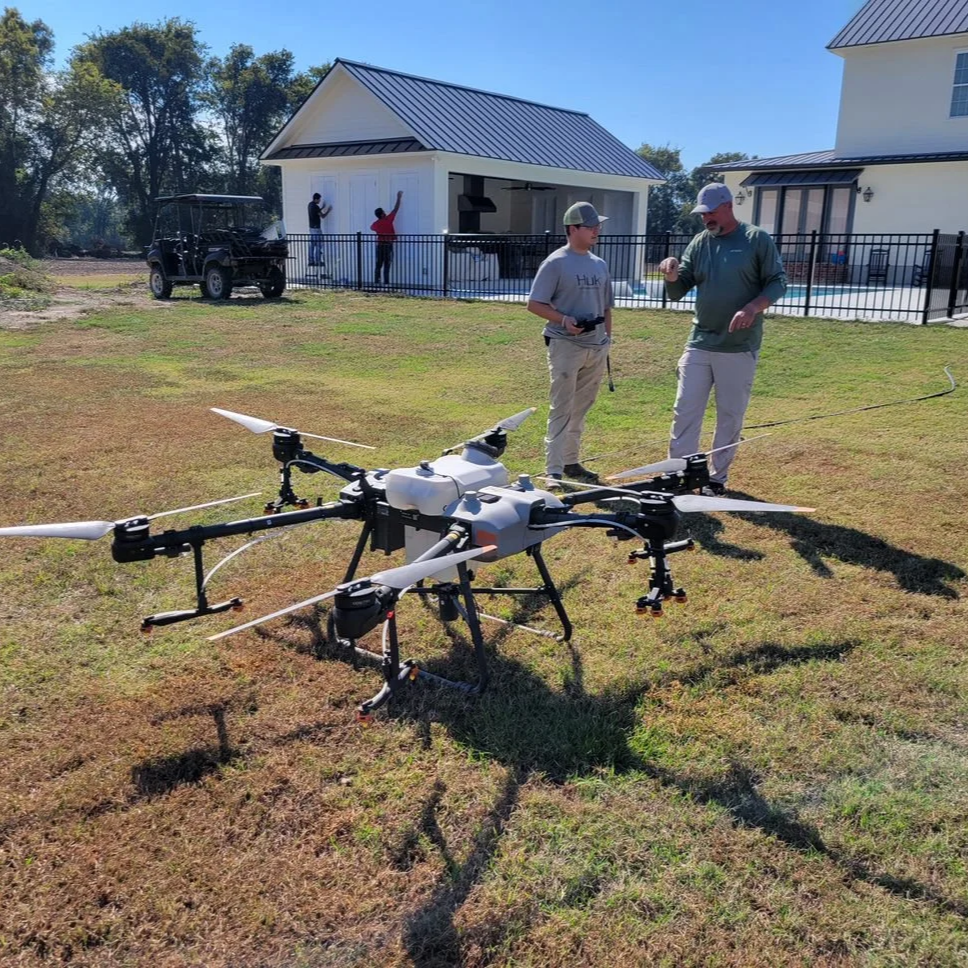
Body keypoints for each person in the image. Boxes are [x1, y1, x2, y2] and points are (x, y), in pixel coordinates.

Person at [659, 183, 787, 495]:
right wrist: (672, 275)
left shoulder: (756, 239)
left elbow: (777, 282)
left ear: (728, 206)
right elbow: (677, 291)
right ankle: (680, 475)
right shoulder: (700, 242)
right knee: (685, 410)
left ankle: (716, 479)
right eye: (702, 215)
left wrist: (752, 308)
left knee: (729, 416)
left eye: (711, 213)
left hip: (738, 346)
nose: (706, 219)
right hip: (700, 341)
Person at [527, 201, 613, 488]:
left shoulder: (599, 264)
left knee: (581, 407)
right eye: (591, 227)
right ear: (573, 228)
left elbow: (607, 308)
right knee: (561, 407)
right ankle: (553, 471)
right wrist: (564, 320)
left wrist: (607, 340)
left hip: (596, 346)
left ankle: (571, 461)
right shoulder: (555, 263)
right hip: (565, 345)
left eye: (598, 226)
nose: (596, 231)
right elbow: (534, 304)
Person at [371, 191, 403, 285]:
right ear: (382, 214)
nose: (385, 213)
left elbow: (371, 228)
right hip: (388, 245)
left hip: (379, 246)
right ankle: (386, 283)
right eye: (384, 212)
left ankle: (377, 282)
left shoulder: (376, 224)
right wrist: (398, 197)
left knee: (378, 264)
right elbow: (395, 209)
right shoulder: (388, 220)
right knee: (387, 265)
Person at [307, 192, 331, 268]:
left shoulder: (310, 205)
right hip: (317, 229)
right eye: (319, 199)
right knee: (319, 244)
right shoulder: (315, 207)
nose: (320, 201)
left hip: (311, 228)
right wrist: (328, 210)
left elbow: (316, 212)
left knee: (312, 245)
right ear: (316, 199)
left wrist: (322, 207)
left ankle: (311, 261)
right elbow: (322, 216)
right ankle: (318, 260)